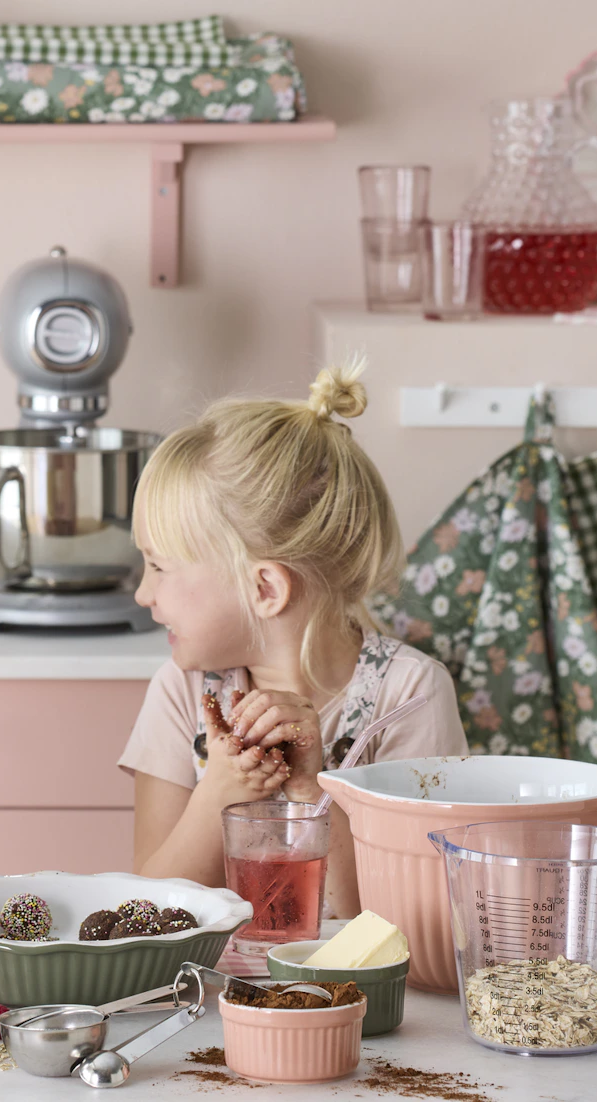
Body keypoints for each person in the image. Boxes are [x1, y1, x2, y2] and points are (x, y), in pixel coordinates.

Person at [119, 361, 467, 915]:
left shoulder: (409, 696)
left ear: (264, 588)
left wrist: (311, 792)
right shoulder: (181, 693)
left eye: (159, 567)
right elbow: (140, 910)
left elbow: (406, 923)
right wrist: (221, 790)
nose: (143, 593)